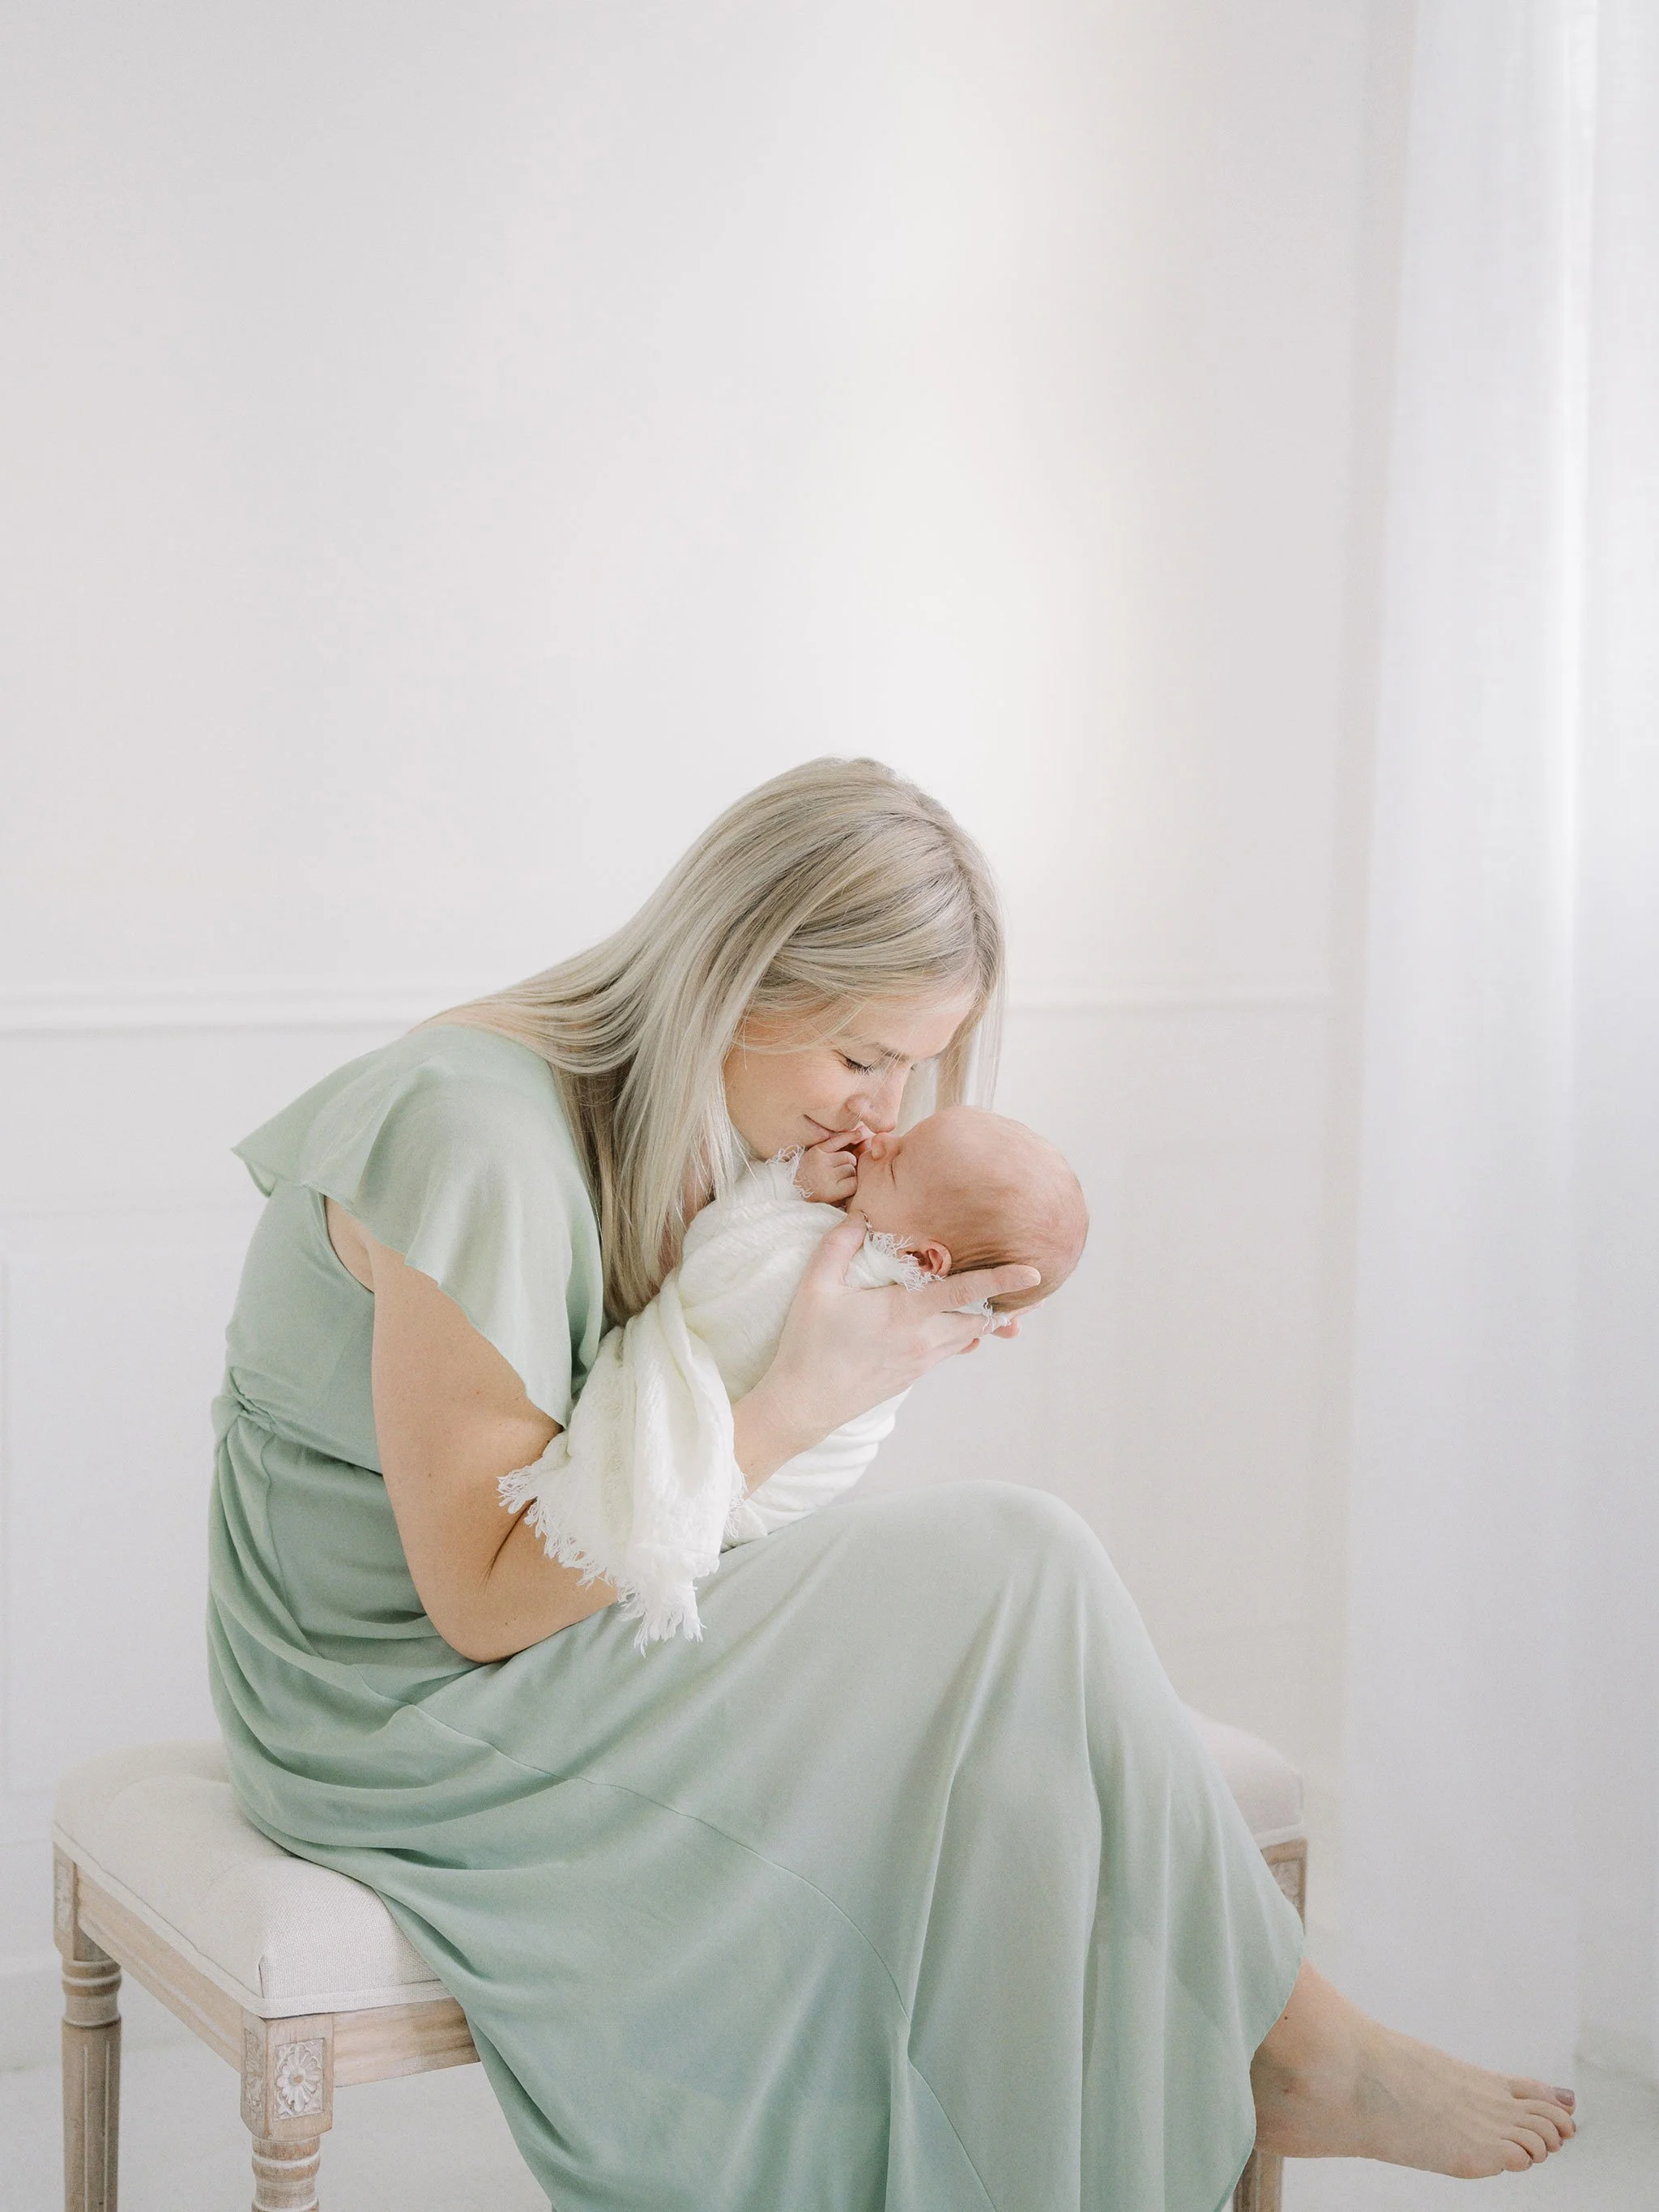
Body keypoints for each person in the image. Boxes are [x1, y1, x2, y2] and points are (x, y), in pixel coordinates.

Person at [207, 757, 1576, 2208]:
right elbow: (480, 1605)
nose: (885, 1104)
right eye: (862, 1056)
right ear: (731, 976)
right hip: (395, 1708)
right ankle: (1297, 2045)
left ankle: (1257, 2057)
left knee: (1015, 1673)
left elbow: (656, 1466)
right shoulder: (474, 1129)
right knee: (1019, 1563)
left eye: (918, 1064)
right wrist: (792, 1405)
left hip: (594, 1628)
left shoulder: (727, 1145)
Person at [496, 1103, 1090, 1647]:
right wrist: (986, 1310)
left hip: (755, 1490)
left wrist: (790, 1184)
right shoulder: (925, 1305)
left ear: (924, 1259)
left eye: (900, 1157)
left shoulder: (841, 1274)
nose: (881, 1139)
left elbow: (714, 1267)